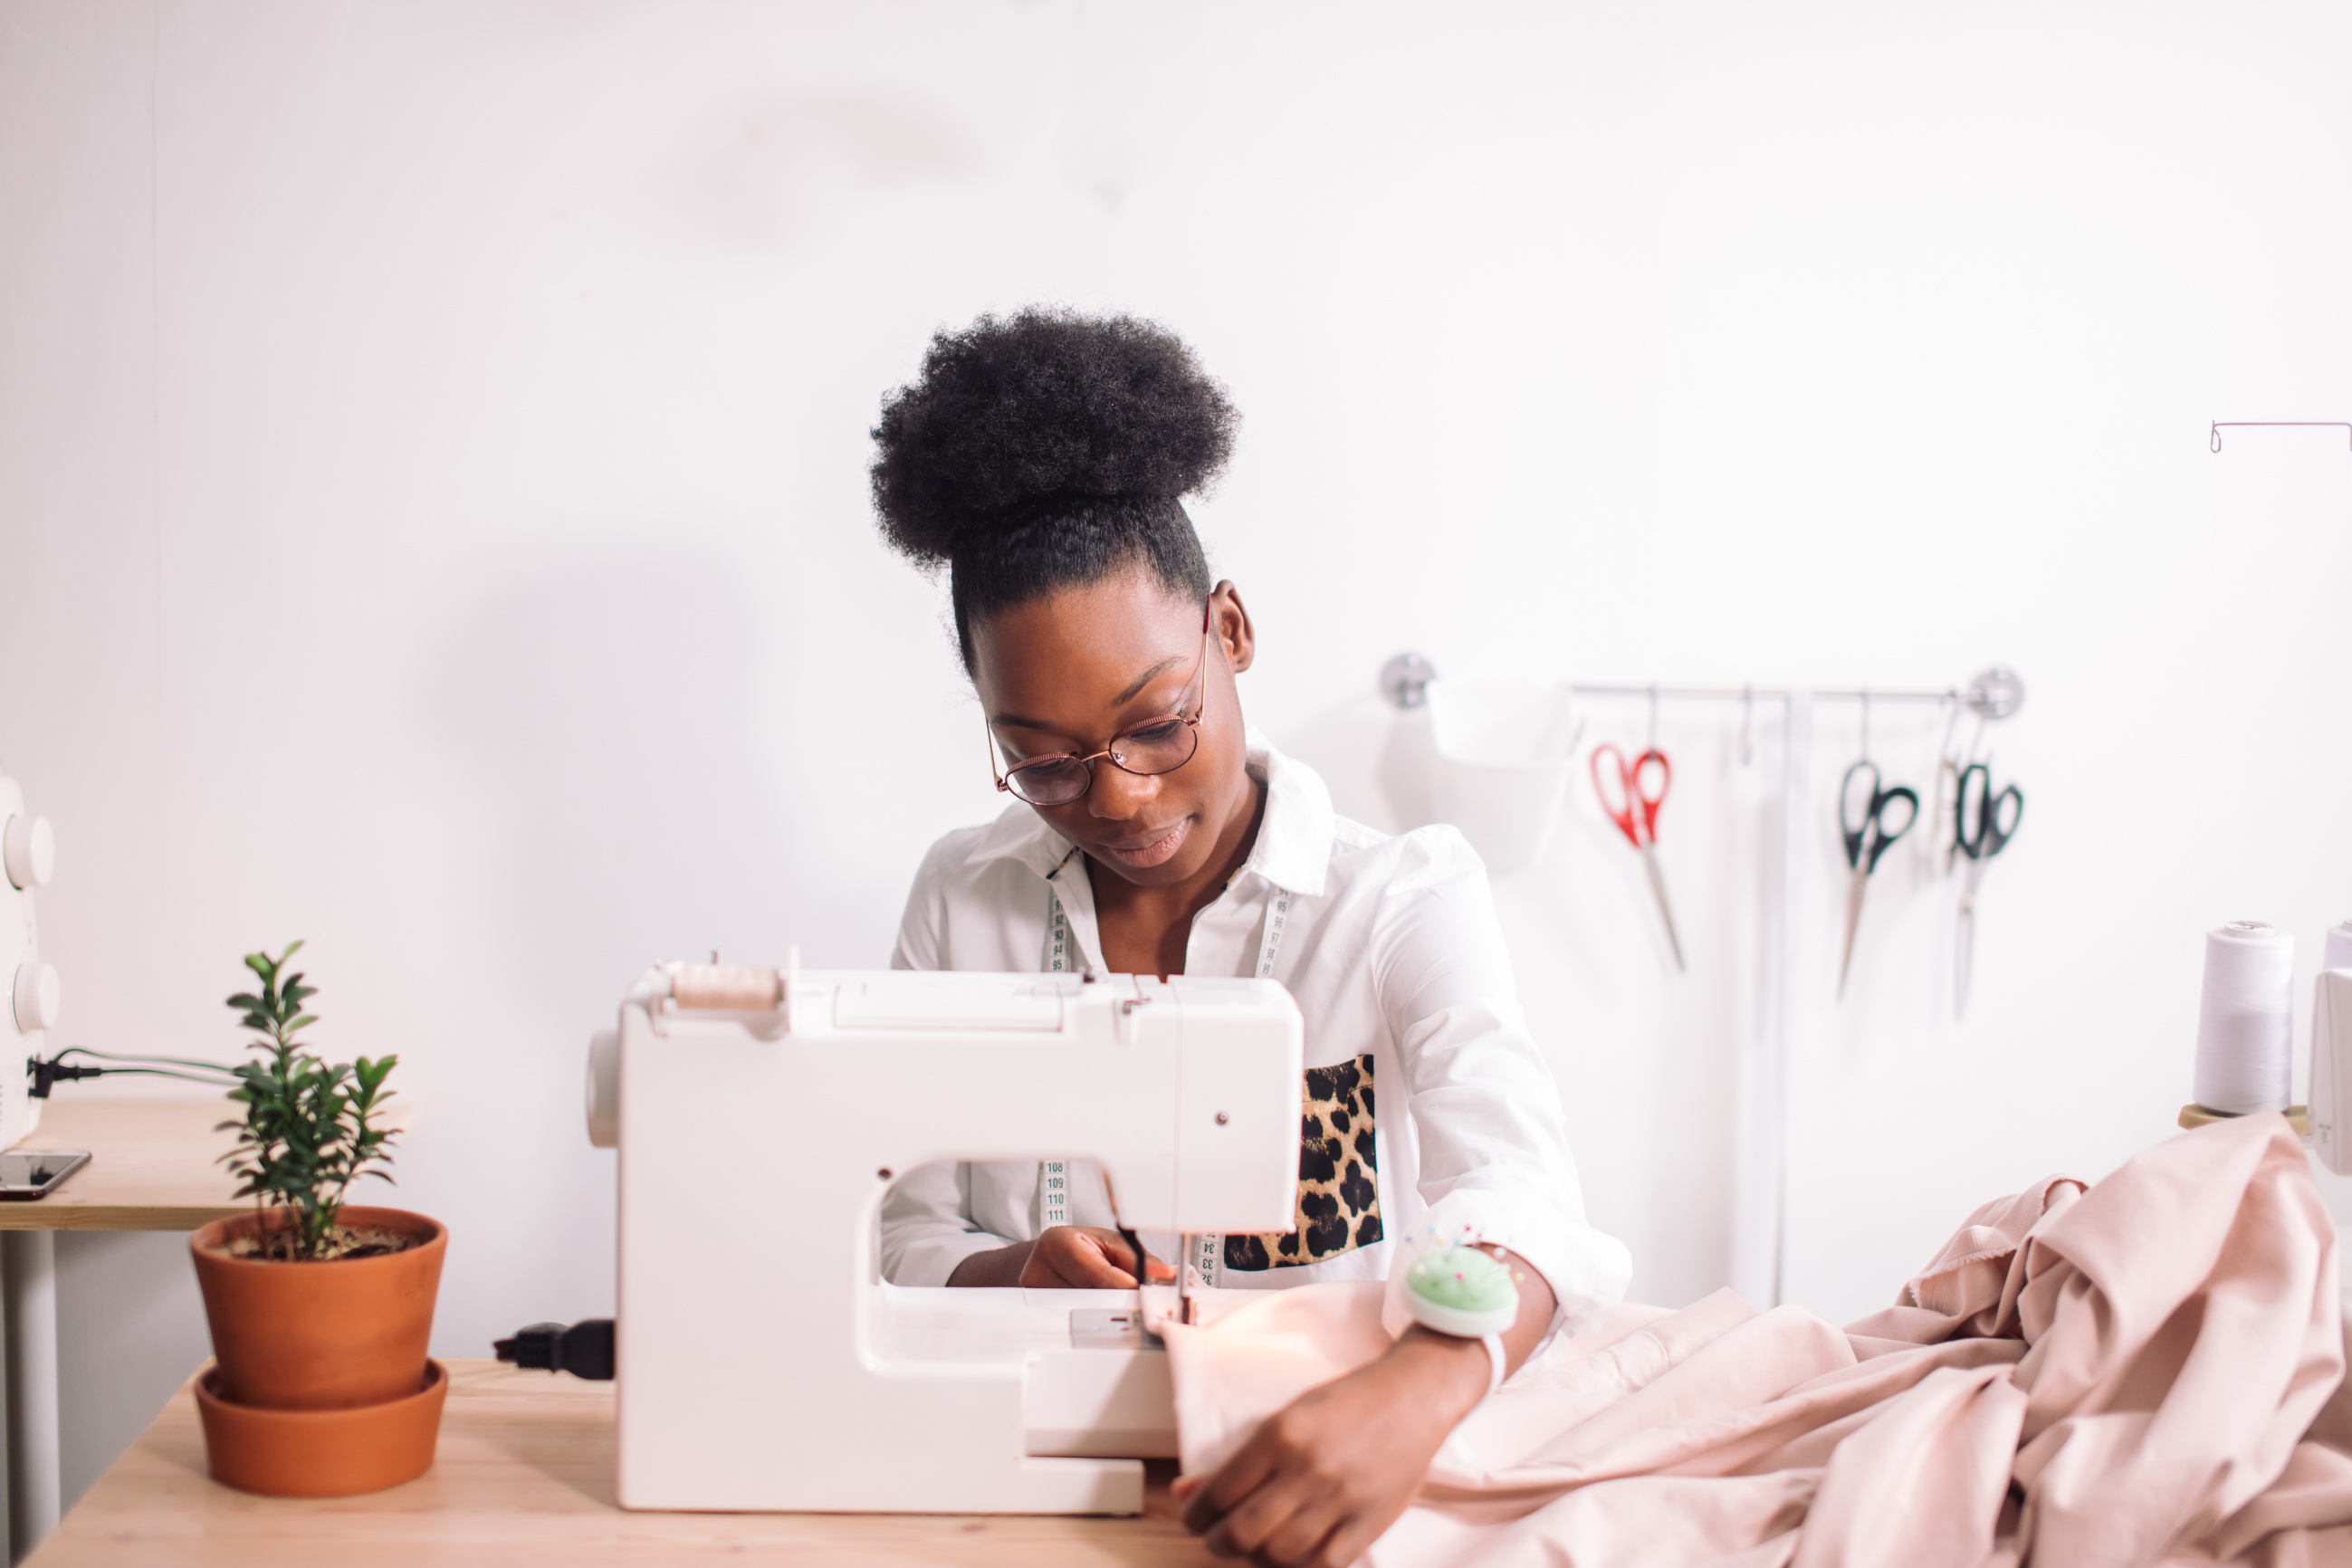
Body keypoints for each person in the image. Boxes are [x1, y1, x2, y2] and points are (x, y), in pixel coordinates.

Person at [870, 306, 1630, 1567]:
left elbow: (1526, 1192)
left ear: (1228, 632)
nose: (1115, 796)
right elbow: (898, 1225)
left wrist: (1419, 1388)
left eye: (1158, 722)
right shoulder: (965, 898)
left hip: (1327, 1466)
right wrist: (1010, 1272)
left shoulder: (1396, 900)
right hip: (1035, 1478)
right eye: (1044, 763)